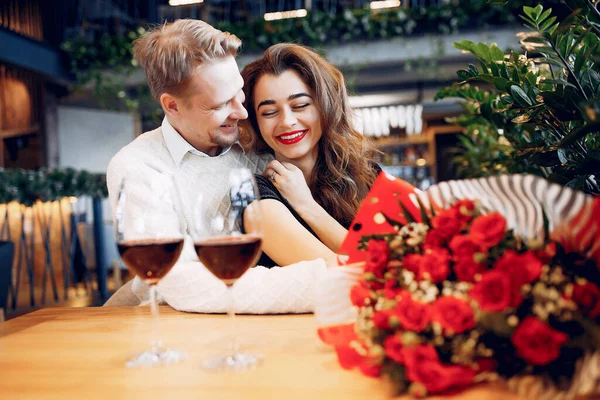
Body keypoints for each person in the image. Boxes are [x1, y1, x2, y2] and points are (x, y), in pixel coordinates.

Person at [105, 21, 327, 312]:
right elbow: (183, 283)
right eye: (221, 105)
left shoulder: (258, 139)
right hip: (167, 322)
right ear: (172, 106)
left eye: (239, 92)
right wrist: (329, 281)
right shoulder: (138, 167)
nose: (242, 111)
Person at [240, 43, 381, 268]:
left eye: (300, 105)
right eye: (269, 112)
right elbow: (362, 270)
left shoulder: (369, 175)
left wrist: (305, 204)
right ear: (256, 122)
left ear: (325, 107)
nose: (287, 122)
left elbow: (399, 264)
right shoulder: (250, 194)